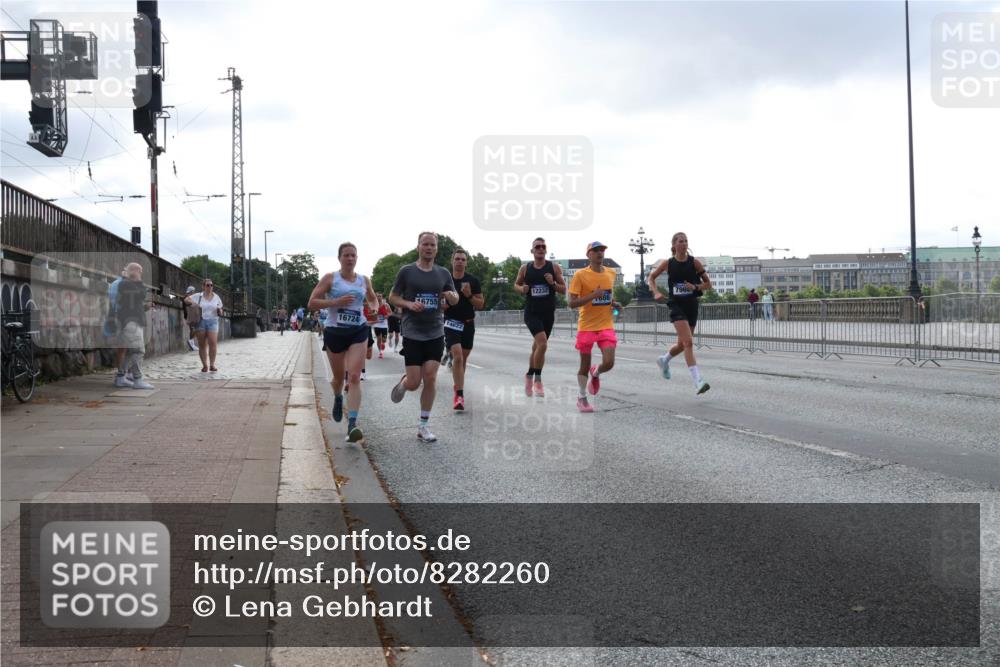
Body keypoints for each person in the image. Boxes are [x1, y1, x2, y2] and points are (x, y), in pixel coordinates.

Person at [388, 232, 460, 442]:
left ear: (436, 249)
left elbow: (454, 299)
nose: (429, 248)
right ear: (418, 246)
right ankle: (403, 384)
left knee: (430, 377)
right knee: (414, 382)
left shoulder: (443, 273)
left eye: (432, 245)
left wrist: (451, 296)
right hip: (412, 331)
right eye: (425, 244)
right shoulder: (407, 272)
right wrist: (409, 304)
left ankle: (423, 425)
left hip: (435, 331)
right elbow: (393, 296)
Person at [309, 242, 377, 443]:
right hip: (335, 332)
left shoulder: (364, 280)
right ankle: (338, 397)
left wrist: (373, 308)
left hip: (358, 330)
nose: (350, 258)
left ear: (357, 258)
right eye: (346, 255)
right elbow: (312, 302)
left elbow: (373, 299)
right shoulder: (331, 278)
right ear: (340, 258)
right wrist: (334, 302)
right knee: (338, 378)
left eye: (353, 255)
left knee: (354, 376)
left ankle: (352, 424)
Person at [647, 231, 712, 395]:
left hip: (691, 305)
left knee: (682, 344)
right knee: (689, 343)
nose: (684, 244)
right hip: (676, 305)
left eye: (686, 241)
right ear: (674, 245)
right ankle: (698, 381)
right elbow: (651, 278)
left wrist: (696, 287)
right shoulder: (668, 263)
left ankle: (664, 360)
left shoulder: (694, 263)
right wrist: (655, 292)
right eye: (681, 241)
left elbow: (708, 284)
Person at [567, 242, 617, 413]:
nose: (600, 253)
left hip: (605, 325)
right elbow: (572, 303)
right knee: (584, 365)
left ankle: (596, 372)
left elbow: (608, 297)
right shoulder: (580, 275)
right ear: (588, 254)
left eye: (602, 250)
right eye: (595, 250)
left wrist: (615, 304)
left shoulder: (611, 273)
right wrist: (592, 295)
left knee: (609, 362)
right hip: (587, 326)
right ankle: (582, 397)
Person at [514, 237, 566, 397]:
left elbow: (563, 289)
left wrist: (552, 284)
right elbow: (515, 285)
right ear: (532, 251)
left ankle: (529, 376)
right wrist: (522, 289)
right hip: (532, 312)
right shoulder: (525, 268)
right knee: (542, 344)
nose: (541, 249)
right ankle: (538, 380)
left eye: (543, 246)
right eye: (537, 247)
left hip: (548, 314)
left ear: (546, 250)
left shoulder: (554, 267)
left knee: (537, 347)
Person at [442, 248, 483, 411]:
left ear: (466, 263)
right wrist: (442, 305)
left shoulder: (472, 281)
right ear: (452, 261)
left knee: (463, 360)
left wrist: (469, 295)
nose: (460, 261)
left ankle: (457, 385)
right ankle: (459, 395)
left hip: (468, 324)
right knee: (457, 357)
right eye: (457, 259)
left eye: (463, 259)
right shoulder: (446, 281)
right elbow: (439, 303)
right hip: (451, 323)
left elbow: (480, 304)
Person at [115, 262, 154, 390]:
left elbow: (132, 303)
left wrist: (145, 307)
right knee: (138, 350)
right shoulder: (125, 284)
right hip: (130, 323)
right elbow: (141, 294)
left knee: (128, 351)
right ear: (134, 271)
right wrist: (137, 280)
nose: (141, 274)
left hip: (131, 321)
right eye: (140, 271)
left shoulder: (127, 284)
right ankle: (137, 379)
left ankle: (121, 377)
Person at [185, 278, 224, 373]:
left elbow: (221, 308)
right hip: (201, 321)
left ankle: (212, 365)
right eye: (207, 285)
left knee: (213, 343)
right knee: (202, 344)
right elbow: (186, 299)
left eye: (211, 285)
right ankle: (205, 365)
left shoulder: (216, 297)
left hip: (213, 321)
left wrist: (220, 311)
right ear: (203, 286)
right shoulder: (198, 296)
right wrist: (194, 303)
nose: (210, 287)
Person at [106, 267, 132, 386]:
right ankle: (121, 377)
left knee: (126, 348)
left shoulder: (116, 283)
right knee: (123, 348)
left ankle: (125, 374)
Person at [372, 295, 390, 359]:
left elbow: (390, 313)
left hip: (384, 325)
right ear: (376, 297)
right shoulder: (374, 305)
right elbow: (371, 313)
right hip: (376, 325)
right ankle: (380, 352)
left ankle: (382, 346)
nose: (379, 297)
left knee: (384, 340)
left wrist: (387, 316)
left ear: (382, 297)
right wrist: (374, 315)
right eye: (377, 296)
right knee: (379, 339)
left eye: (380, 296)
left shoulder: (386, 305)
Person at [181, 286, 198, 351]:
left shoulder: (188, 297)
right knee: (193, 329)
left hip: (190, 315)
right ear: (192, 291)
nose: (195, 292)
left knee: (194, 329)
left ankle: (192, 343)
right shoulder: (187, 298)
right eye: (194, 291)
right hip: (190, 316)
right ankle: (191, 343)